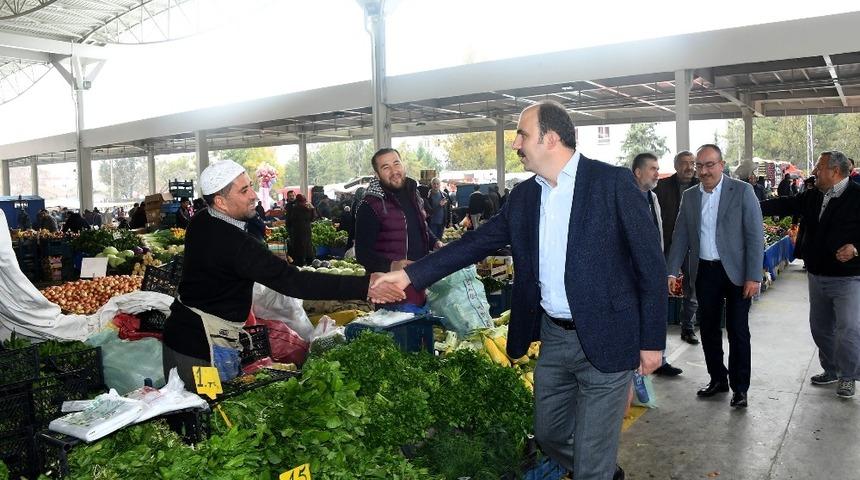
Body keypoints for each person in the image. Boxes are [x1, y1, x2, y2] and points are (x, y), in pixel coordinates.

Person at [372, 101, 666, 480]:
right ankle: (602, 470)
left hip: (609, 336)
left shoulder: (611, 184)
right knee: (548, 433)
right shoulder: (526, 196)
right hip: (554, 337)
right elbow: (475, 243)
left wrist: (652, 341)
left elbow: (650, 266)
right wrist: (411, 276)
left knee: (591, 460)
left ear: (551, 138)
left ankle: (596, 470)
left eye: (522, 135)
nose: (515, 144)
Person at [162, 160, 403, 388]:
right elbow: (295, 282)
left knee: (199, 407)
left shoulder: (202, 220)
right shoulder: (235, 244)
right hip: (201, 350)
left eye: (251, 186)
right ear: (221, 202)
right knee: (210, 406)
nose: (254, 195)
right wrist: (365, 285)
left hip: (182, 334)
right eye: (244, 191)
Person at [666, 144, 764, 408]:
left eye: (710, 165)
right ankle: (718, 379)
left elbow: (755, 235)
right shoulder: (690, 196)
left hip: (737, 273)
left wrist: (754, 276)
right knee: (708, 329)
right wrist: (671, 270)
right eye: (699, 166)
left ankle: (740, 388)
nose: (704, 171)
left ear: (721, 165)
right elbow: (680, 236)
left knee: (737, 330)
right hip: (705, 272)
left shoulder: (742, 191)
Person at [760, 150, 860, 398]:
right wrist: (750, 204)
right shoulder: (813, 195)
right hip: (817, 275)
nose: (814, 172)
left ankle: (848, 376)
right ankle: (832, 369)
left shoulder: (857, 196)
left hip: (848, 278)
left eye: (819, 167)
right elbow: (785, 204)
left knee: (848, 329)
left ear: (835, 171)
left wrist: (856, 248)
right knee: (820, 328)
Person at [355, 148, 442, 308]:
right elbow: (362, 254)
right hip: (392, 290)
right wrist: (391, 265)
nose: (394, 171)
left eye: (396, 164)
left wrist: (435, 242)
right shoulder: (370, 205)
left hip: (420, 279)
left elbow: (419, 226)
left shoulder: (414, 195)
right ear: (377, 174)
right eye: (385, 167)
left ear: (403, 165)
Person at [632, 153, 682, 377]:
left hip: (654, 267)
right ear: (638, 172)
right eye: (652, 169)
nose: (657, 174)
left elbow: (658, 231)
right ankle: (635, 362)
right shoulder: (625, 198)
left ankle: (659, 359)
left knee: (656, 314)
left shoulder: (652, 197)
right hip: (633, 272)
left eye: (657, 168)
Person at [654, 151, 700, 345]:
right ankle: (656, 330)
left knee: (693, 288)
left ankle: (687, 327)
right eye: (684, 163)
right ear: (675, 166)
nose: (689, 167)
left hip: (693, 247)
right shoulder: (661, 187)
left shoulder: (701, 186)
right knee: (660, 287)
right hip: (666, 246)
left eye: (692, 163)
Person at [286, 194, 315, 266]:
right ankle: (310, 261)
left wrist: (289, 229)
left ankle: (300, 262)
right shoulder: (307, 209)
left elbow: (289, 221)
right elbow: (312, 218)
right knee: (308, 246)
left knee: (298, 247)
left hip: (297, 231)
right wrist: (312, 209)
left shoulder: (294, 209)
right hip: (306, 231)